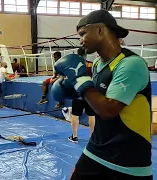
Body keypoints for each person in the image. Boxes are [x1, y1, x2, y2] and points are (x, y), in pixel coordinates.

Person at [51, 10, 152, 179]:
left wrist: (80, 79)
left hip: (128, 159)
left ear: (100, 29)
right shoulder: (98, 63)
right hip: (96, 149)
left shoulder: (131, 64)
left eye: (83, 34)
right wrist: (75, 90)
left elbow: (108, 110)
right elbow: (98, 97)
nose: (81, 40)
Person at [68, 48, 95, 143]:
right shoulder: (92, 64)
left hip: (79, 93)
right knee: (92, 116)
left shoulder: (73, 65)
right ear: (86, 54)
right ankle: (93, 137)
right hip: (90, 92)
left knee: (75, 115)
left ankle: (74, 136)